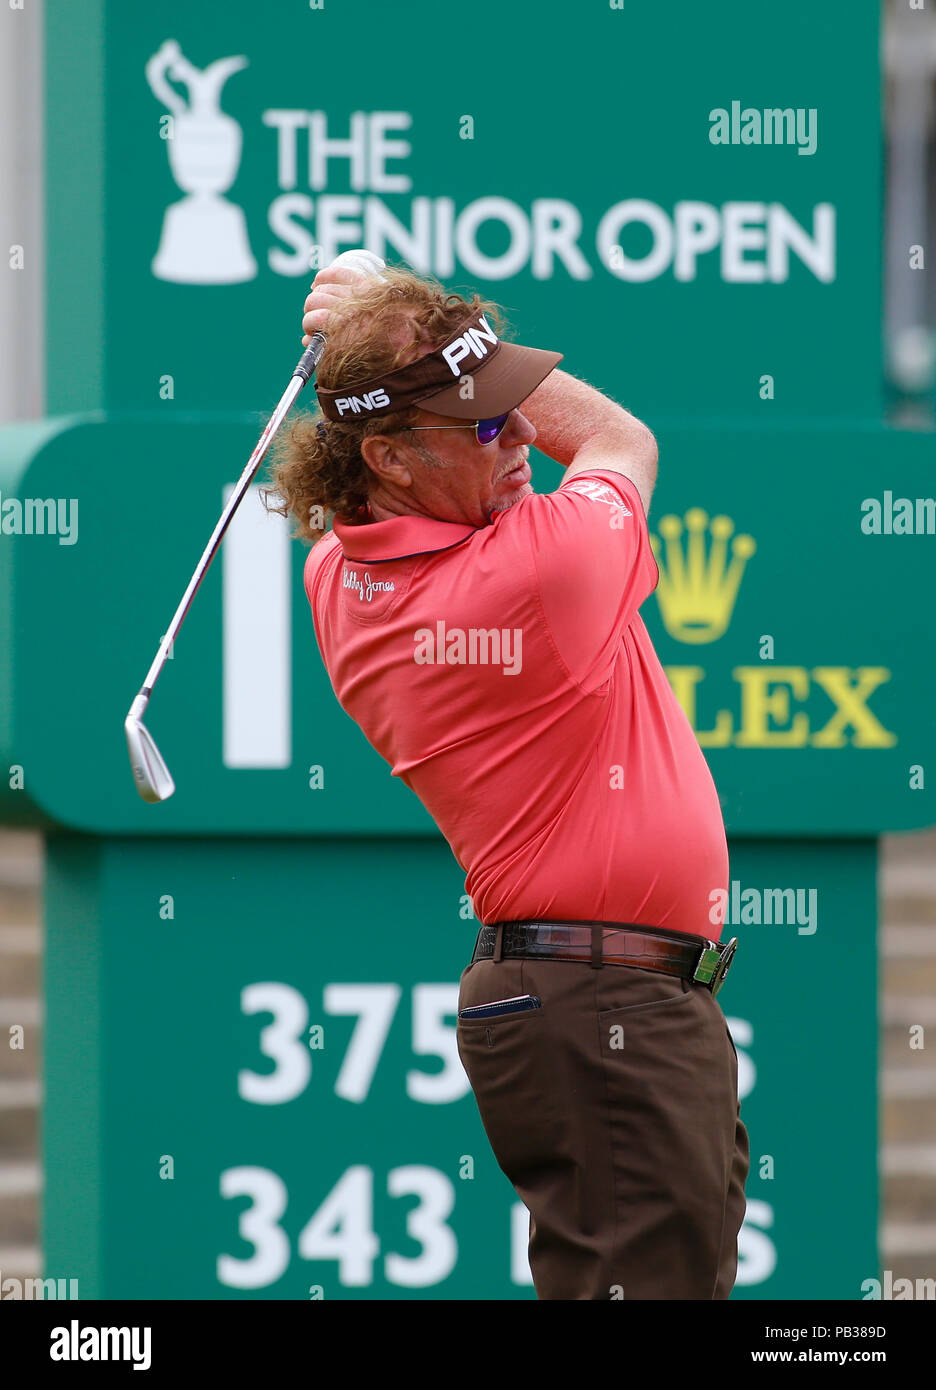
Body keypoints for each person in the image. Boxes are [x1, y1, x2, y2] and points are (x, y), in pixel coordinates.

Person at [268, 260, 750, 1300]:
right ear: (389, 457)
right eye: (487, 422)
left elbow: (457, 448)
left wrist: (408, 341)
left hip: (584, 999)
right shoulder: (534, 569)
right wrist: (415, 322)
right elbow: (623, 440)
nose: (524, 435)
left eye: (511, 407)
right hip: (605, 1001)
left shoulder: (337, 575)